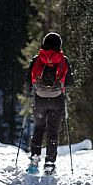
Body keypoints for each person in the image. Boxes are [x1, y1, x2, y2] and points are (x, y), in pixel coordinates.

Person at [25, 32, 74, 175]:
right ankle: (50, 164)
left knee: (39, 129)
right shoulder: (63, 59)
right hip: (57, 100)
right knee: (52, 132)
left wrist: (30, 93)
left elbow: (28, 79)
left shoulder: (37, 59)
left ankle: (34, 159)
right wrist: (62, 88)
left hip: (39, 99)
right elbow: (70, 82)